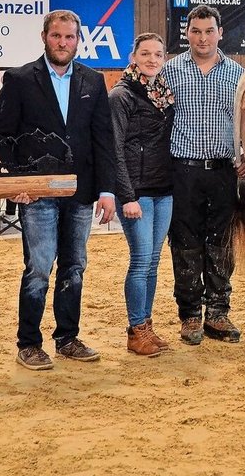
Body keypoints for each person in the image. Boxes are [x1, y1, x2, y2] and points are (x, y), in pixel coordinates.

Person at [0, 9, 117, 370]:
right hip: (38, 193)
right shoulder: (17, 79)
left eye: (70, 37)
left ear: (79, 39)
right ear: (44, 37)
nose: (63, 43)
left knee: (75, 266)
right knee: (39, 268)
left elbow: (104, 140)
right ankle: (29, 342)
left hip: (81, 191)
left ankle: (67, 337)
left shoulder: (93, 81)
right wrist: (20, 181)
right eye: (57, 36)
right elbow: (0, 135)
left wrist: (107, 190)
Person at [163, 4, 245, 345]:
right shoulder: (169, 71)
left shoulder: (238, 75)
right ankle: (189, 316)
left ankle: (217, 312)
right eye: (195, 31)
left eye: (208, 31)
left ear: (221, 33)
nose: (202, 38)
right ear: (186, 33)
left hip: (223, 172)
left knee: (221, 243)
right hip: (183, 171)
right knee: (184, 244)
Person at [109, 33, 175, 357]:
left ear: (164, 58)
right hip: (137, 193)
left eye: (158, 54)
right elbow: (115, 148)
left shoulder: (163, 93)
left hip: (164, 190)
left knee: (152, 263)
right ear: (133, 56)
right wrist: (127, 195)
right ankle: (135, 330)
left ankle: (146, 326)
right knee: (140, 261)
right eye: (145, 53)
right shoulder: (121, 95)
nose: (152, 59)